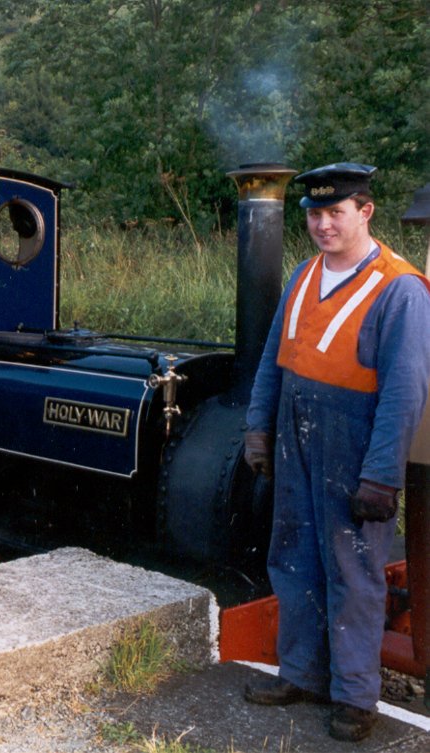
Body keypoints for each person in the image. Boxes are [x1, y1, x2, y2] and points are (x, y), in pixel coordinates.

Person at [242, 163, 430, 742]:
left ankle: (355, 697)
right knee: (293, 556)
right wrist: (258, 427)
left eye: (335, 213)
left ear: (365, 211)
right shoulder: (303, 275)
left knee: (354, 570)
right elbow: (276, 356)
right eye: (314, 214)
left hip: (354, 446)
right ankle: (301, 673)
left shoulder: (399, 287)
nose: (323, 224)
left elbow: (405, 391)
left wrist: (380, 476)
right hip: (298, 436)